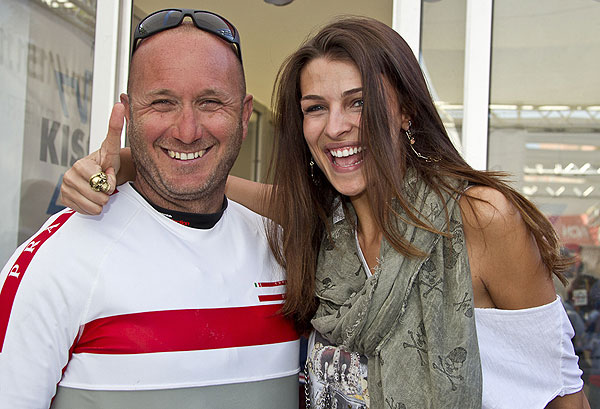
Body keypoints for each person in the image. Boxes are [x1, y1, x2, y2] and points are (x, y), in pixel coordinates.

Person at [60, 15, 589, 409]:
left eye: (358, 102)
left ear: (405, 109)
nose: (335, 126)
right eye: (316, 108)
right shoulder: (326, 225)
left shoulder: (480, 219)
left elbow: (565, 392)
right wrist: (125, 165)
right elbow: (217, 186)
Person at [0, 9, 300, 409]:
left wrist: (125, 163)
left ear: (244, 115)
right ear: (128, 112)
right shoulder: (57, 260)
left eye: (210, 102)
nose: (187, 130)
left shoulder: (286, 248)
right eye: (162, 103)